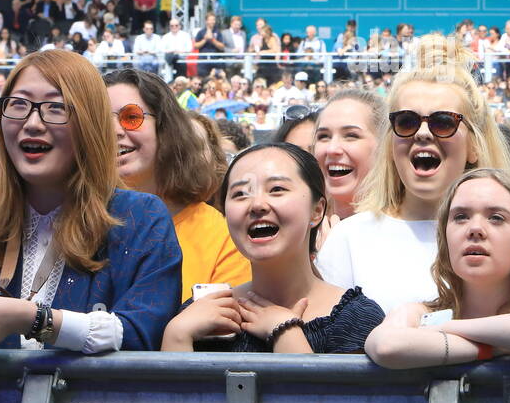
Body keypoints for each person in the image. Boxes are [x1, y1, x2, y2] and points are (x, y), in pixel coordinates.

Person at [0, 50, 182, 355]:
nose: (32, 123)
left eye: (55, 107)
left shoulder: (140, 217)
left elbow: (142, 333)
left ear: (90, 124)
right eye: (18, 105)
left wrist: (31, 318)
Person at [316, 35, 510, 314]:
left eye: (443, 122)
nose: (423, 133)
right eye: (406, 122)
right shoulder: (349, 239)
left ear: (474, 145)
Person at [162, 143, 385, 353]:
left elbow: (327, 395)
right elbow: (171, 395)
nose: (257, 205)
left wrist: (286, 335)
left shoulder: (355, 319)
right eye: (240, 194)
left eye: (277, 189)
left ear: (317, 211)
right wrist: (176, 336)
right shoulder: (200, 315)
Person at [366, 168, 510, 367]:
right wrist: (498, 348)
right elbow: (386, 346)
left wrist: (441, 330)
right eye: (461, 217)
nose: (475, 229)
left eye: (496, 217)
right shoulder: (419, 313)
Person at [104, 68, 249, 300]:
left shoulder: (221, 237)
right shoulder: (71, 224)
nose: (113, 131)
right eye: (100, 120)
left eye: (131, 117)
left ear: (166, 128)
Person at [313, 89, 385, 224]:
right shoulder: (300, 231)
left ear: (384, 144)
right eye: (324, 136)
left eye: (351, 135)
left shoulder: (406, 233)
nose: (332, 149)